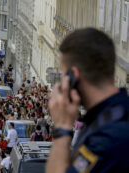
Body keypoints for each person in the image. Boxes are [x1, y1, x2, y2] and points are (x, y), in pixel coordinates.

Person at [46, 28, 129, 173]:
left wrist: (62, 127)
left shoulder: (105, 138)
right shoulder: (116, 114)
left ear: (74, 76)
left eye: (64, 75)